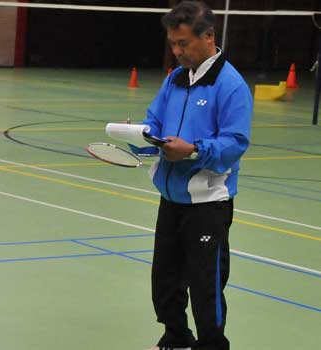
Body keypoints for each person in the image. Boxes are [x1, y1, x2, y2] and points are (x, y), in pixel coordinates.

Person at [134, 2, 251, 349]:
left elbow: (235, 142)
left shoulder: (230, 85)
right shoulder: (175, 79)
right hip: (171, 199)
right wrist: (141, 137)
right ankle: (176, 335)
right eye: (173, 43)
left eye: (183, 43)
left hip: (207, 205)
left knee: (205, 285)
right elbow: (155, 120)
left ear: (209, 36)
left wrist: (194, 149)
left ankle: (213, 344)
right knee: (164, 281)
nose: (177, 51)